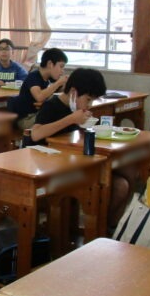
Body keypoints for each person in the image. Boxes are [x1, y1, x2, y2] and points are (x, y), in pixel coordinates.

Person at [25, 68, 130, 229]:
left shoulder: (75, 110)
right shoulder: (52, 106)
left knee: (126, 176)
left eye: (92, 101)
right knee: (117, 186)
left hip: (70, 162)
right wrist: (71, 119)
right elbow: (35, 134)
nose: (90, 105)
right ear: (73, 92)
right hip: (47, 166)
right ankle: (98, 229)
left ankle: (108, 228)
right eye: (88, 99)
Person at [9, 48, 68, 130]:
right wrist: (58, 83)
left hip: (38, 115)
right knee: (57, 120)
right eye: (61, 67)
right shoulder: (33, 76)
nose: (62, 71)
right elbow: (39, 97)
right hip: (26, 119)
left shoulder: (50, 79)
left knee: (63, 115)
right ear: (50, 64)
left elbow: (61, 93)